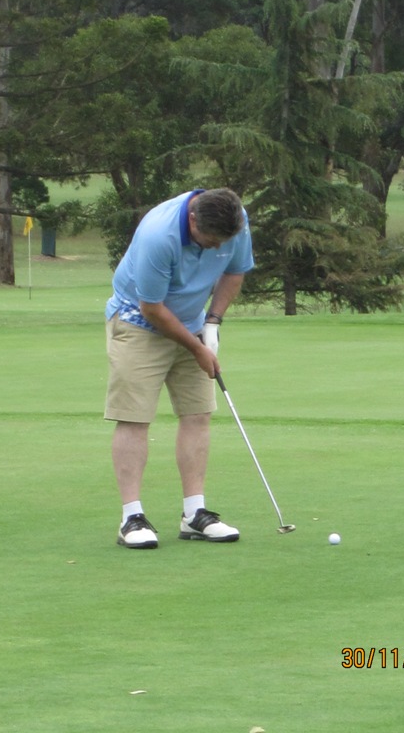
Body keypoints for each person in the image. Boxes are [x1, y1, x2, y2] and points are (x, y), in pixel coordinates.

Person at [104, 187, 254, 549]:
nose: (216, 247)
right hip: (137, 321)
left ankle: (194, 514)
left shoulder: (235, 221)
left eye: (222, 242)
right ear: (193, 219)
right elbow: (152, 308)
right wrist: (197, 348)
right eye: (210, 240)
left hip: (192, 320)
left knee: (198, 414)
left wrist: (213, 322)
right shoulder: (159, 235)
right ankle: (131, 518)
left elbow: (235, 272)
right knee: (134, 417)